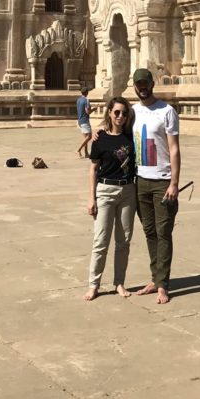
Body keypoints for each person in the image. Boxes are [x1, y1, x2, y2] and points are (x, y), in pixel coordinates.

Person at [131, 68, 181, 305]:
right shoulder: (132, 112)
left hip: (162, 181)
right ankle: (155, 277)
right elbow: (115, 129)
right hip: (140, 180)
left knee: (163, 233)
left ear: (152, 84)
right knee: (149, 231)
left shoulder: (167, 111)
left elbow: (174, 148)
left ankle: (163, 284)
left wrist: (174, 182)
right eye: (138, 84)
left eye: (145, 84)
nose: (142, 88)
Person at [84, 96, 137, 301]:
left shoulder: (132, 137)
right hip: (105, 191)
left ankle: (119, 283)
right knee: (100, 241)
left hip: (127, 191)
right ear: (109, 113)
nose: (120, 116)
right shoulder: (100, 139)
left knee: (123, 241)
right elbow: (93, 169)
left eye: (124, 113)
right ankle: (93, 284)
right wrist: (92, 198)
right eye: (116, 112)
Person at [76, 86, 92, 157]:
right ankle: (78, 149)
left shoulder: (78, 100)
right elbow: (87, 111)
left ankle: (86, 153)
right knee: (89, 137)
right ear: (87, 93)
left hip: (79, 120)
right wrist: (93, 109)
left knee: (85, 137)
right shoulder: (86, 100)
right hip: (85, 120)